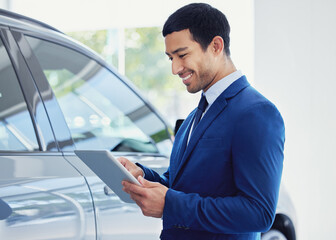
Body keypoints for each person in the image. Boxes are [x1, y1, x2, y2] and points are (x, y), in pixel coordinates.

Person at [120, 3, 285, 240]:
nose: (175, 68)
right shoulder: (193, 117)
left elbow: (259, 212)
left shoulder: (257, 113)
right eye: (170, 58)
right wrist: (143, 177)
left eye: (182, 55)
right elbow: (182, 185)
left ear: (216, 46)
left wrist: (170, 205)